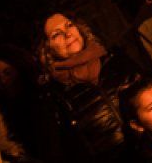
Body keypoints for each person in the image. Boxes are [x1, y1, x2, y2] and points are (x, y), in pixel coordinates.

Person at [34, 11, 140, 161]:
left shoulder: (116, 60)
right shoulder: (55, 98)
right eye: (56, 34)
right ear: (47, 48)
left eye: (69, 25)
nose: (67, 33)